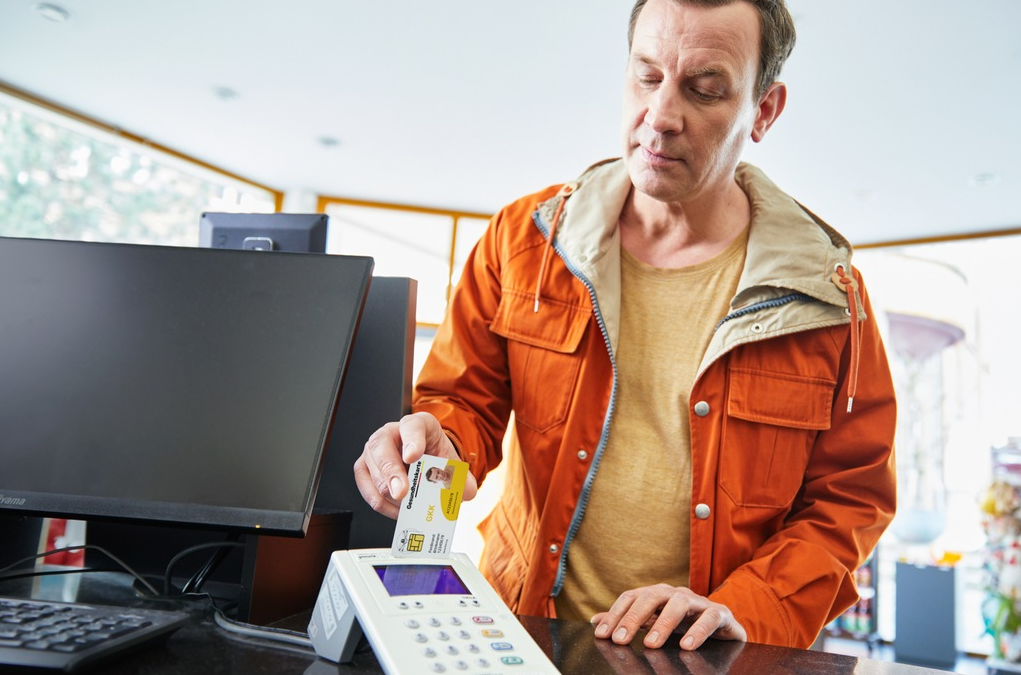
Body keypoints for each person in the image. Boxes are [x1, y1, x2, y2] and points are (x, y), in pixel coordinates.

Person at [355, 0, 896, 652]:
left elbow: (849, 502)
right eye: (646, 76)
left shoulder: (829, 300)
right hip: (519, 638)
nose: (661, 117)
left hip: (702, 662)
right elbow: (462, 405)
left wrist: (740, 610)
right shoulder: (522, 242)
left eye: (705, 89)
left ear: (764, 111)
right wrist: (435, 447)